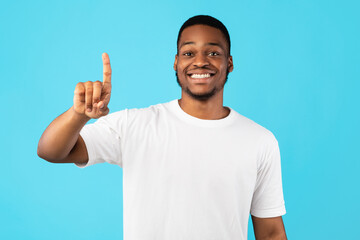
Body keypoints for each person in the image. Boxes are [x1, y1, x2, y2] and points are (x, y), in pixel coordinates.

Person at [38, 15, 287, 240]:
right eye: (189, 53)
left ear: (229, 63)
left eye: (213, 53)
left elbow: (271, 232)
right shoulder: (134, 125)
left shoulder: (259, 140)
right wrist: (78, 115)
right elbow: (51, 151)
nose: (200, 62)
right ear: (176, 62)